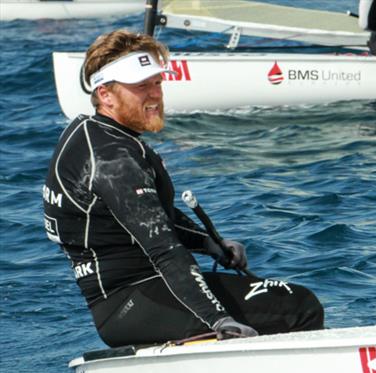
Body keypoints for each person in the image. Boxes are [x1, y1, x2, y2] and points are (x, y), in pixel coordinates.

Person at [43, 30, 324, 347]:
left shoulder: (91, 133)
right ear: (105, 94)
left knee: (276, 300)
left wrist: (209, 243)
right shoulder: (113, 159)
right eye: (141, 87)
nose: (154, 95)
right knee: (298, 306)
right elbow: (164, 249)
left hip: (131, 298)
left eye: (157, 83)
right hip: (134, 301)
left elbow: (148, 216)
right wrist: (218, 320)